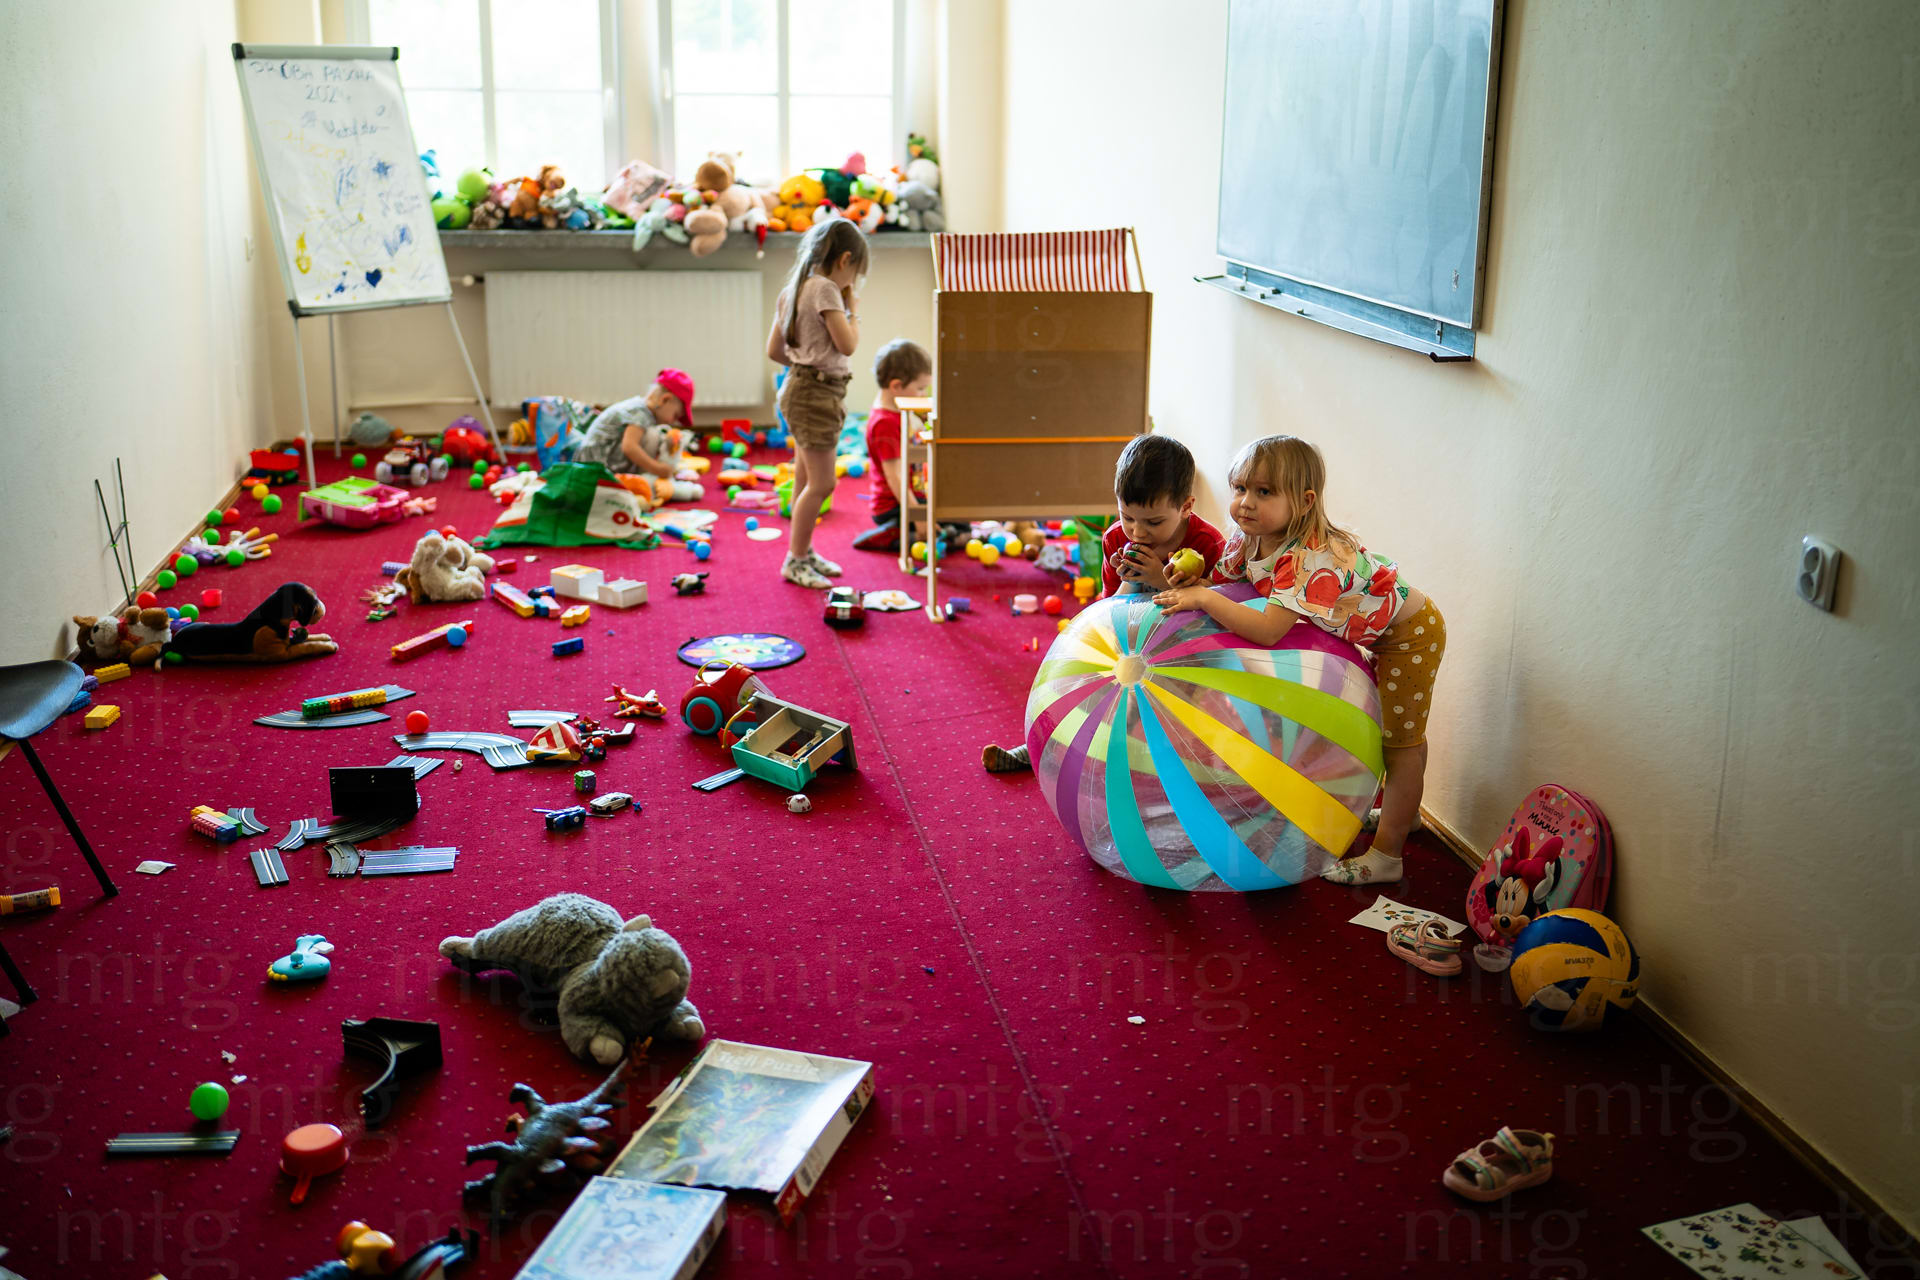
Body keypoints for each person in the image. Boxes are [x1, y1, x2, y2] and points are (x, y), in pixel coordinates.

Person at [1154, 435, 1443, 885]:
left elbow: (1269, 629)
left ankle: (1388, 855)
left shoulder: (1307, 557)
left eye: (1264, 492)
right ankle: (1404, 815)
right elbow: (1230, 588)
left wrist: (1205, 599)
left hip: (1409, 636)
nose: (1246, 503)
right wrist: (1194, 578)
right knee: (1399, 739)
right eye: (1240, 488)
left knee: (1400, 745)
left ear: (1305, 502)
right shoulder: (1249, 537)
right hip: (1375, 634)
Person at [982, 433, 1226, 773]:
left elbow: (1219, 613)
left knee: (1166, 717)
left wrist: (1159, 579)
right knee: (1087, 688)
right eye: (1127, 516)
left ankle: (1177, 768)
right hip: (1128, 643)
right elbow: (1107, 612)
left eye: (1153, 522)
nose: (1137, 532)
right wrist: (1130, 579)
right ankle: (1043, 747)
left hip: (1188, 653)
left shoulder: (1208, 543)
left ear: (1186, 507)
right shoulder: (1115, 538)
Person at [767, 217, 870, 588]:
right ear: (844, 260)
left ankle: (803, 550)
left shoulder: (793, 288)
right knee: (823, 483)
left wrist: (804, 364)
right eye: (855, 274)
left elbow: (774, 350)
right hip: (816, 395)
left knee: (804, 477)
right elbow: (848, 344)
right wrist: (851, 307)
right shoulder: (827, 289)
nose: (852, 282)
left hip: (799, 387)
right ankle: (795, 559)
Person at [851, 338, 933, 553]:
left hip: (912, 494)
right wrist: (918, 517)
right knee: (950, 533)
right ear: (896, 386)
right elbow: (895, 477)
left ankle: (905, 530)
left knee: (956, 524)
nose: (924, 395)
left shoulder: (897, 408)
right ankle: (892, 534)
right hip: (892, 506)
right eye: (921, 389)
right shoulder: (885, 423)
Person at [572, 370, 695, 480]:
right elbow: (629, 447)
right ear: (664, 400)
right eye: (675, 415)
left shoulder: (642, 409)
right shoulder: (640, 413)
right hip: (592, 470)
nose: (673, 421)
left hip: (599, 464)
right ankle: (644, 479)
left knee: (653, 434)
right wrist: (658, 469)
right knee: (651, 435)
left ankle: (644, 477)